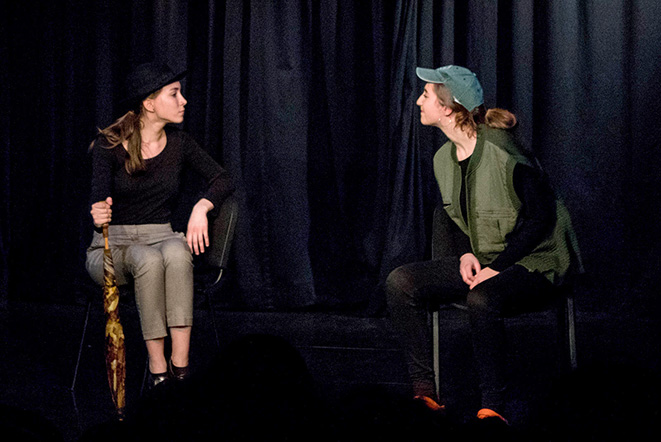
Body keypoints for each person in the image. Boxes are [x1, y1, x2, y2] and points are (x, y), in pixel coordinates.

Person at [386, 65, 582, 423]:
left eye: (426, 95)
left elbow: (541, 219)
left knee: (482, 297)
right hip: (486, 256)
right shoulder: (444, 158)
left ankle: (493, 406)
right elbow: (450, 213)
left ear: (448, 108)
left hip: (536, 259)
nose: (418, 102)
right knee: (401, 282)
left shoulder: (503, 150)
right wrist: (465, 253)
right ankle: (425, 393)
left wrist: (497, 268)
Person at [86, 62, 235, 389]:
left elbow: (223, 178)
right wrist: (97, 213)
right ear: (149, 104)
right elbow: (98, 201)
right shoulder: (109, 146)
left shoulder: (180, 143)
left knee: (178, 252)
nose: (184, 101)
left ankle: (180, 367)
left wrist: (202, 205)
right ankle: (158, 370)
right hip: (114, 247)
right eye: (174, 94)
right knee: (149, 259)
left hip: (162, 236)